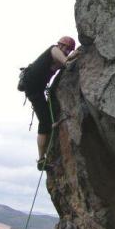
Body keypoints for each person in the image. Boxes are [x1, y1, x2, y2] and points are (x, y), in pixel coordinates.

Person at [23, 36, 78, 171]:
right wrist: (67, 60)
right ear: (60, 45)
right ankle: (41, 159)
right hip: (32, 84)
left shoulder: (58, 60)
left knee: (45, 123)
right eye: (64, 47)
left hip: (36, 91)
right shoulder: (53, 50)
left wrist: (73, 56)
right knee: (44, 123)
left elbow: (62, 60)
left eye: (68, 49)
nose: (66, 50)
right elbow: (58, 54)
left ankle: (42, 160)